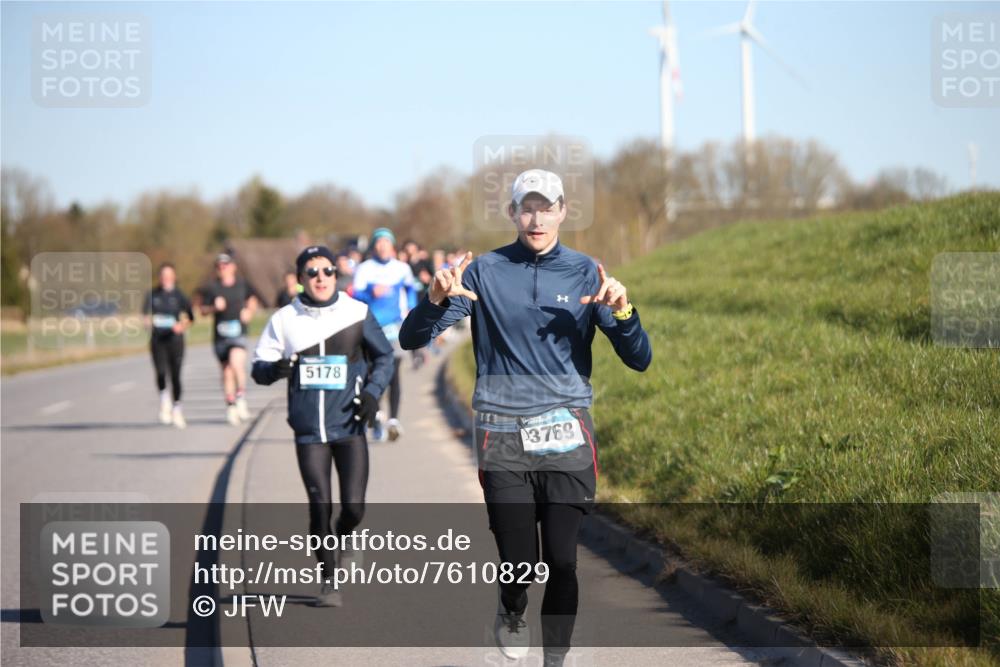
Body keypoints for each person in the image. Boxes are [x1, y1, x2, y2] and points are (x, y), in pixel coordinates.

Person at [399, 169, 652, 667]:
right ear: (513, 213)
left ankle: (555, 659)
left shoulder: (586, 272)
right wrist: (433, 301)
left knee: (561, 560)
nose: (537, 218)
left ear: (563, 210)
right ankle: (512, 610)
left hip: (568, 433)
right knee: (520, 564)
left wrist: (623, 313)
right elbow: (411, 341)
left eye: (547, 206)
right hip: (502, 432)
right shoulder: (484, 271)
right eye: (527, 208)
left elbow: (639, 358)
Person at [251, 245, 394, 607]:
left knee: (354, 508)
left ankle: (346, 537)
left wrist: (374, 394)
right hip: (308, 432)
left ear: (336, 274)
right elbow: (259, 367)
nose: (321, 278)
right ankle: (329, 582)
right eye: (312, 272)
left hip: (349, 425)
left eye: (327, 270)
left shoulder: (357, 312)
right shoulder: (284, 319)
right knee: (319, 504)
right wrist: (275, 370)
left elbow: (384, 357)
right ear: (300, 278)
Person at [352, 228, 418, 441]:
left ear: (392, 246)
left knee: (394, 372)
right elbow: (356, 294)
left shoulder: (402, 268)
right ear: (374, 246)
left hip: (395, 326)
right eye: (379, 243)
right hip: (371, 327)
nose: (382, 246)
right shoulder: (364, 269)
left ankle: (393, 420)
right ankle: (377, 415)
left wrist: (411, 310)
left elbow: (410, 291)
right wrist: (371, 292)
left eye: (386, 243)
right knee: (373, 373)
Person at [200, 253, 260, 425]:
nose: (222, 268)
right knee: (226, 371)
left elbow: (253, 299)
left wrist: (249, 310)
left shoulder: (242, 284)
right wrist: (213, 307)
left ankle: (240, 397)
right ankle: (231, 405)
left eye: (225, 265)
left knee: (236, 363)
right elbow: (202, 310)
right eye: (219, 266)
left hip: (238, 332)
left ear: (233, 266)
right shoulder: (212, 288)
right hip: (220, 336)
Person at [143, 262, 194, 428]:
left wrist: (181, 326)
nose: (165, 278)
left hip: (175, 341)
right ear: (159, 277)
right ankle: (164, 399)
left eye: (168, 275)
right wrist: (147, 323)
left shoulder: (180, 295)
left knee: (175, 376)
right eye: (163, 275)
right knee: (160, 373)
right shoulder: (152, 295)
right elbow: (145, 315)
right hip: (158, 341)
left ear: (173, 277)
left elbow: (191, 317)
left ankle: (177, 408)